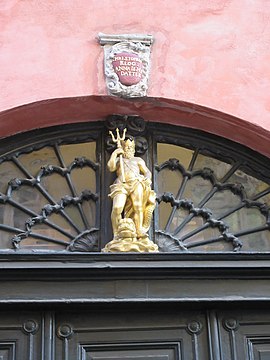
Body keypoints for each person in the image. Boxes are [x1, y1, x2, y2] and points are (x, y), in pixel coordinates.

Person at [107, 136, 155, 240]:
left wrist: (147, 178)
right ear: (123, 148)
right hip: (121, 184)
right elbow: (111, 167)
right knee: (117, 208)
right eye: (127, 147)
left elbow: (147, 171)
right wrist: (115, 153)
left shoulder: (138, 160)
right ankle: (116, 234)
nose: (129, 149)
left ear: (134, 149)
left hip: (136, 183)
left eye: (131, 147)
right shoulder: (119, 160)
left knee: (138, 207)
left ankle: (139, 231)